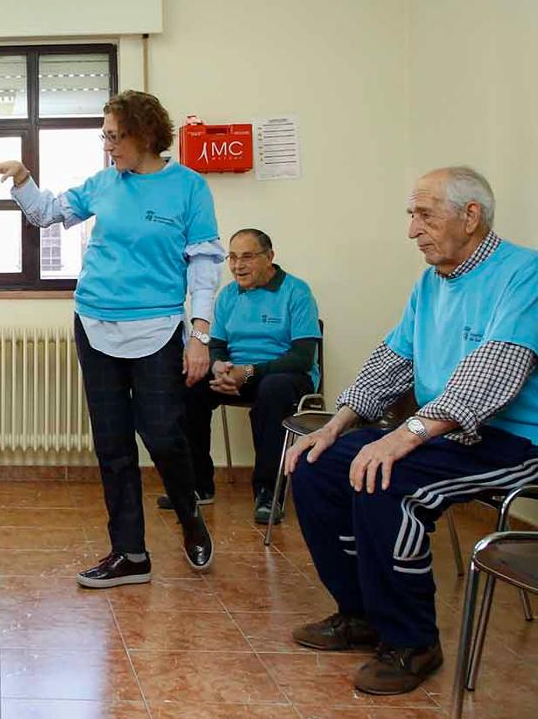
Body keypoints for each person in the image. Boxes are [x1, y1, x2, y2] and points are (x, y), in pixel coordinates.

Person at [284, 166, 538, 695]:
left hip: (514, 439)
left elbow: (495, 373)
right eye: (411, 214)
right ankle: (361, 615)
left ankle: (412, 641)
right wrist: (336, 426)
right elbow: (392, 359)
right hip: (442, 433)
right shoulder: (431, 282)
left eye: (424, 214)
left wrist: (402, 437)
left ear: (471, 217)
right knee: (316, 466)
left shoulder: (524, 274)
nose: (411, 229)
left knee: (386, 479)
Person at [0, 89, 220, 587]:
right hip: (94, 323)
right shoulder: (102, 184)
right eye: (104, 136)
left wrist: (200, 334)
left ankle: (189, 514)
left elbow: (204, 265)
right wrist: (22, 177)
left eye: (115, 136)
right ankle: (130, 552)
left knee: (163, 435)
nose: (108, 145)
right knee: (112, 445)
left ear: (145, 134)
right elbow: (47, 213)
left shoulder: (188, 188)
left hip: (156, 329)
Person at [175, 228, 321, 524]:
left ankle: (268, 493)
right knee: (189, 382)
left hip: (286, 376)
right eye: (232, 258)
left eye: (247, 257)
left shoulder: (297, 291)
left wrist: (250, 372)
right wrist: (218, 367)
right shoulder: (228, 295)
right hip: (236, 375)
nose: (238, 266)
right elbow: (215, 346)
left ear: (269, 257)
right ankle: (198, 485)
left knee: (273, 389)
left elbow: (303, 356)